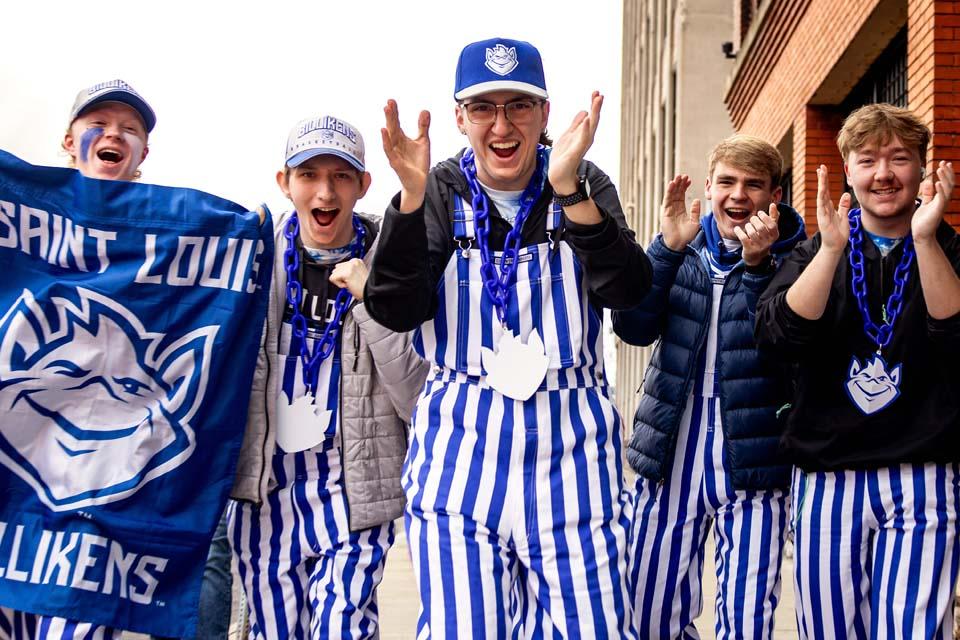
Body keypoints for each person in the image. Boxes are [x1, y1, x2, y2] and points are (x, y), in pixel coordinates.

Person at [365, 37, 651, 638]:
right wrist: (410, 204)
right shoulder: (438, 187)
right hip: (461, 444)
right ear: (460, 117)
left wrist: (570, 190)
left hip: (570, 445)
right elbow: (396, 307)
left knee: (593, 626)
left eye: (519, 105)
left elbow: (630, 292)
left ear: (544, 114)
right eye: (484, 107)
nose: (502, 124)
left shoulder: (582, 179)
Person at [755, 103, 960, 638]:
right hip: (828, 478)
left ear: (922, 168)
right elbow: (778, 337)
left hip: (922, 474)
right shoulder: (814, 249)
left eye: (899, 158)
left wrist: (925, 239)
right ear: (848, 171)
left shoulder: (947, 247)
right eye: (867, 160)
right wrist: (829, 251)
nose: (884, 174)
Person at [228, 114, 427, 638]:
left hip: (355, 496)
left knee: (341, 626)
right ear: (284, 184)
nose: (325, 191)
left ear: (364, 185)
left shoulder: (398, 264)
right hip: (267, 500)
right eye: (309, 174)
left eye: (341, 176)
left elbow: (416, 398)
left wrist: (372, 300)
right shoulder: (251, 262)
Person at [613, 135, 804, 639]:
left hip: (753, 458)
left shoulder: (797, 258)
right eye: (727, 182)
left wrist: (757, 268)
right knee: (646, 613)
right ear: (711, 186)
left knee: (745, 622)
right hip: (672, 452)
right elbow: (632, 328)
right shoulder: (683, 247)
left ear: (775, 196)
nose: (738, 195)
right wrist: (664, 249)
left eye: (753, 185)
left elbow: (781, 343)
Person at [0, 78, 157, 640]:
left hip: (100, 494)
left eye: (130, 129)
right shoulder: (18, 215)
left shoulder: (171, 240)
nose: (114, 134)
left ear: (143, 154)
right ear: (69, 140)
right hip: (14, 481)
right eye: (100, 123)